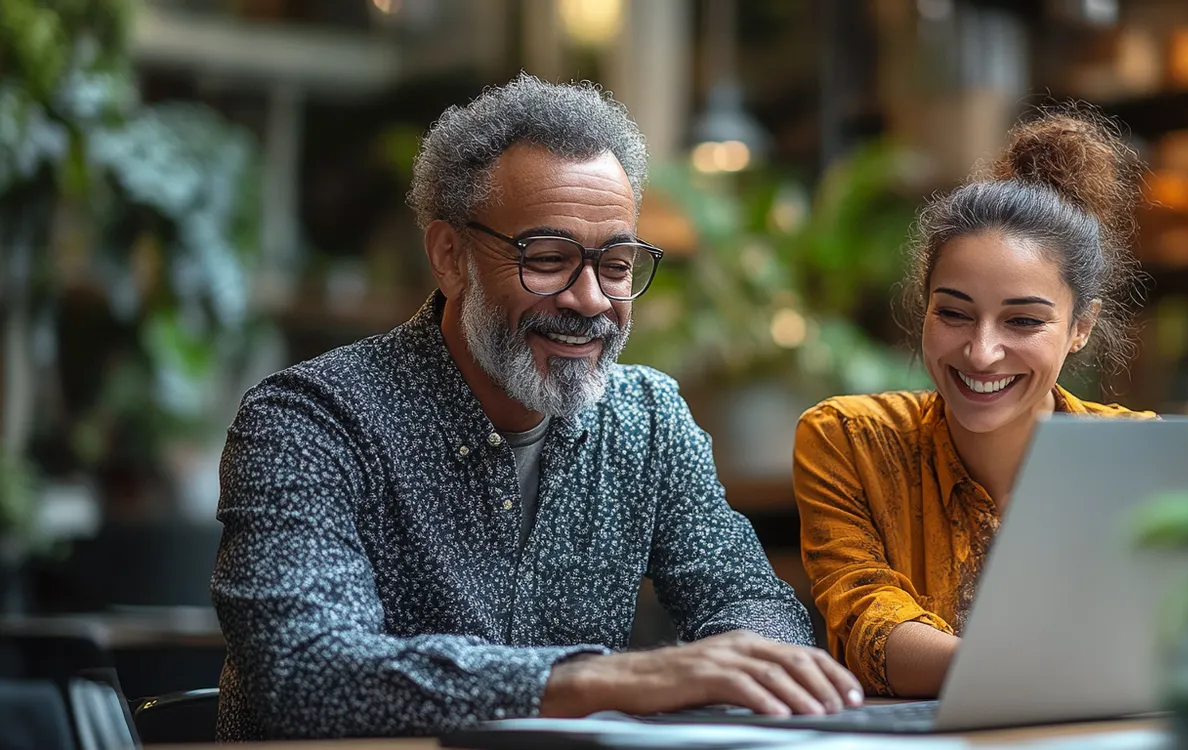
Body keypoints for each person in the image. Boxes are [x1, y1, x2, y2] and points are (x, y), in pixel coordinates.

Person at [212, 74, 861, 741]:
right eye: (547, 259)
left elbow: (744, 595)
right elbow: (305, 673)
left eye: (615, 265)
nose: (589, 301)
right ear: (449, 257)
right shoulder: (310, 421)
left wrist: (753, 665)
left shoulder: (649, 420)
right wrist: (601, 681)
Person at [793, 110, 1159, 698]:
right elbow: (869, 624)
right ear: (925, 307)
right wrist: (1046, 675)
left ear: (1081, 327)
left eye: (1023, 321)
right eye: (954, 313)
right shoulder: (849, 440)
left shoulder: (1146, 458)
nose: (982, 352)